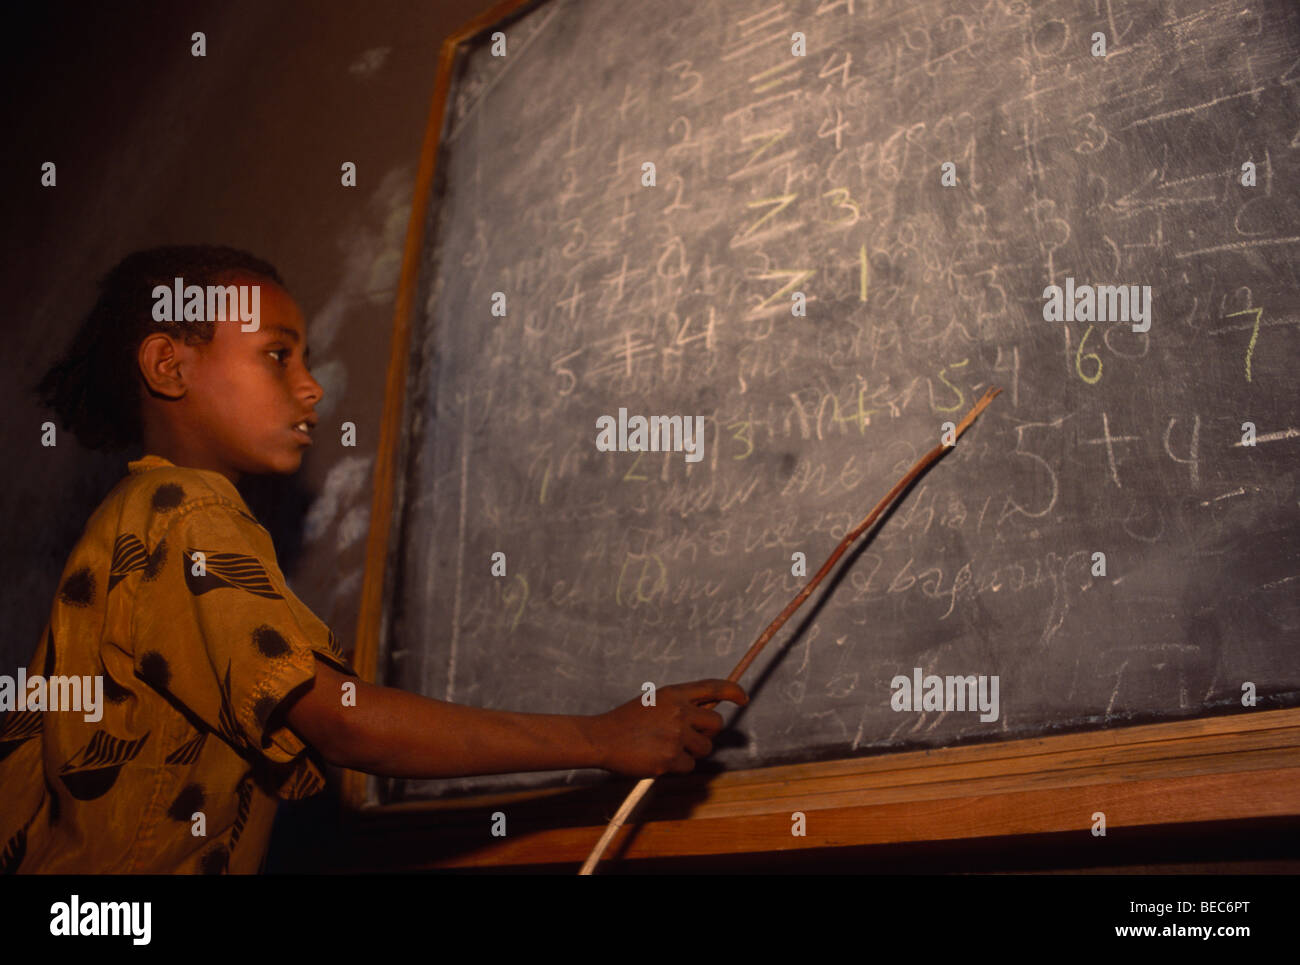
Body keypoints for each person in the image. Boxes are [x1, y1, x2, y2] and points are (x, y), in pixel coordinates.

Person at [0, 244, 747, 873]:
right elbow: (344, 724)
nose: (310, 384)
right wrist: (599, 737)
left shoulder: (143, 520)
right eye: (276, 355)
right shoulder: (185, 513)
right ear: (169, 364)